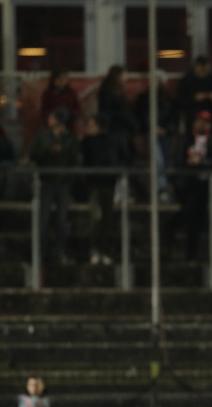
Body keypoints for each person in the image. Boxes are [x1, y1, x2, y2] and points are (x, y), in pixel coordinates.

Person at [30, 108, 79, 264]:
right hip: (47, 181)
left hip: (63, 183)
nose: (49, 120)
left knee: (62, 220)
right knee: (42, 220)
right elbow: (34, 155)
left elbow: (75, 159)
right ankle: (40, 253)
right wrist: (49, 152)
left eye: (52, 117)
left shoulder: (70, 138)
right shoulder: (43, 136)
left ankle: (59, 252)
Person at [169, 110, 212, 261]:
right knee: (189, 214)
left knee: (198, 219)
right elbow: (176, 159)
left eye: (206, 122)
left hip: (203, 185)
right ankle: (170, 235)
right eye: (200, 121)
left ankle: (192, 253)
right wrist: (187, 164)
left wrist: (202, 163)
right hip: (187, 183)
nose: (202, 124)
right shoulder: (184, 139)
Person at [81, 114, 127, 265]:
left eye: (91, 124)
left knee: (107, 219)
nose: (88, 128)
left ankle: (104, 250)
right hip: (95, 184)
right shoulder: (87, 142)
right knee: (96, 218)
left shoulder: (111, 141)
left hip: (108, 184)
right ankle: (95, 250)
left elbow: (122, 158)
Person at [98, 65, 137, 164]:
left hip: (118, 128)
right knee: (121, 157)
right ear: (118, 76)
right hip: (117, 129)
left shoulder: (110, 90)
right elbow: (119, 111)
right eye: (124, 75)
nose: (126, 78)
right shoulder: (111, 92)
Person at [176, 56, 212, 133]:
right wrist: (194, 98)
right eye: (200, 67)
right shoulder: (186, 80)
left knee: (211, 140)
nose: (202, 70)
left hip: (211, 116)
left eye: (205, 67)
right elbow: (180, 100)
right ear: (195, 67)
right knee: (192, 141)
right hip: (192, 116)